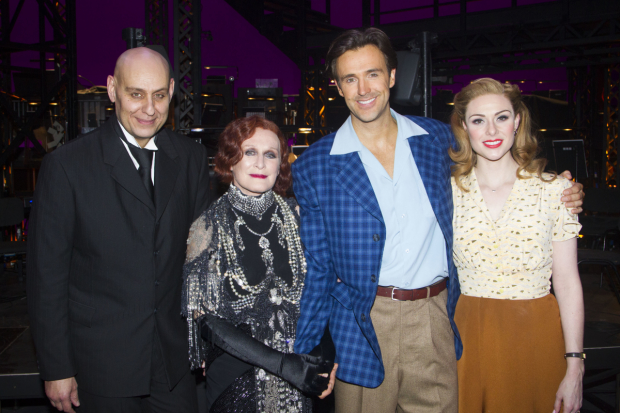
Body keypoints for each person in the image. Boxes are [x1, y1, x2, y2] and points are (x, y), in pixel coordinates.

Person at [291, 28, 584, 413]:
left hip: (437, 316)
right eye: (350, 78)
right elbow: (320, 269)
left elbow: (494, 157)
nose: (363, 88)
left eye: (373, 74)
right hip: (363, 325)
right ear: (339, 87)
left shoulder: (437, 140)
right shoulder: (315, 165)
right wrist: (306, 350)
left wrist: (559, 187)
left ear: (392, 77)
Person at [27, 47, 210, 413]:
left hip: (174, 362)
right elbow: (46, 277)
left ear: (172, 91)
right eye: (136, 94)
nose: (149, 108)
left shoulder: (190, 157)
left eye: (159, 95)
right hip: (101, 366)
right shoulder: (66, 166)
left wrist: (203, 340)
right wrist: (57, 367)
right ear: (112, 90)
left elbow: (200, 259)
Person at [182, 116, 337, 413]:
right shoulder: (207, 227)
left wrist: (325, 359)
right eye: (249, 152)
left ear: (281, 164)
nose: (260, 163)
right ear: (230, 160)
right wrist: (281, 365)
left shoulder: (299, 217)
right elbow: (206, 321)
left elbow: (323, 292)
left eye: (270, 154)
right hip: (237, 376)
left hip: (302, 373)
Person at [450, 78, 584, 413]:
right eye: (479, 120)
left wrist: (575, 364)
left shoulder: (555, 191)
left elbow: (567, 282)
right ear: (465, 126)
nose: (492, 129)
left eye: (502, 117)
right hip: (469, 336)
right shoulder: (446, 192)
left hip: (536, 335)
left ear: (517, 121)